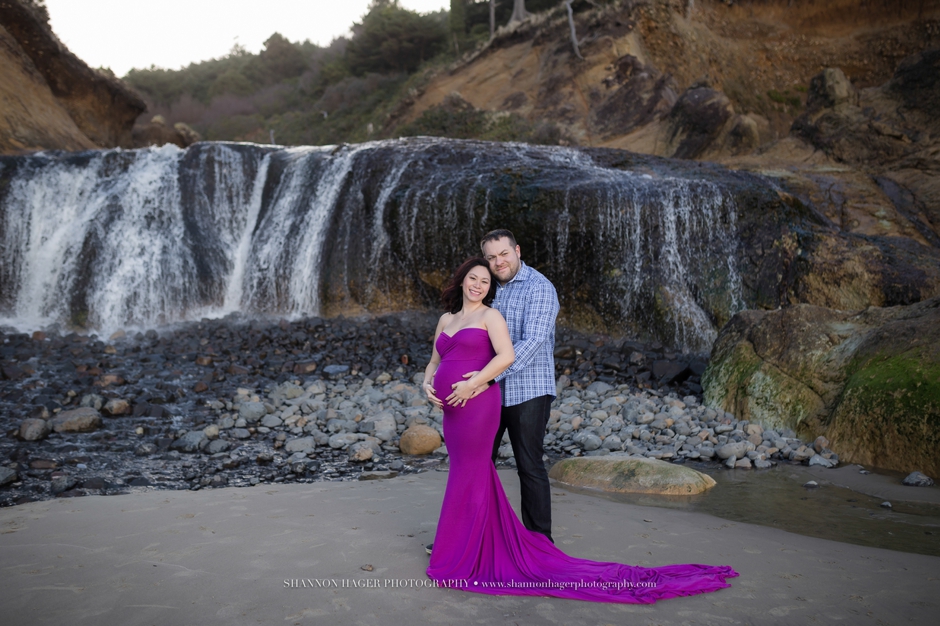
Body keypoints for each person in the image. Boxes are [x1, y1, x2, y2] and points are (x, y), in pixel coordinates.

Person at [422, 257, 739, 603]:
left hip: (478, 405)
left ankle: (465, 550)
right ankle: (463, 541)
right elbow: (435, 361)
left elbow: (507, 356)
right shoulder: (446, 319)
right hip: (451, 411)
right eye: (473, 278)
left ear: (489, 288)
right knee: (465, 470)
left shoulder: (491, 316)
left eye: (485, 281)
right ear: (462, 279)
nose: (478, 285)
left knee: (474, 469)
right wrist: (427, 383)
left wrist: (474, 384)